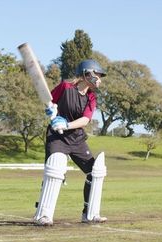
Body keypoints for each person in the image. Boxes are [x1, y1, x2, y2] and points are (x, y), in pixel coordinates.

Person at [34, 59, 108, 226]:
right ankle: (43, 215)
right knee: (56, 168)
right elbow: (49, 101)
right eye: (97, 75)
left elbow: (85, 120)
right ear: (87, 74)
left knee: (94, 172)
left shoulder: (91, 97)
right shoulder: (65, 88)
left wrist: (66, 125)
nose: (100, 79)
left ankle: (89, 213)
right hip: (57, 137)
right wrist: (51, 109)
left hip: (76, 138)